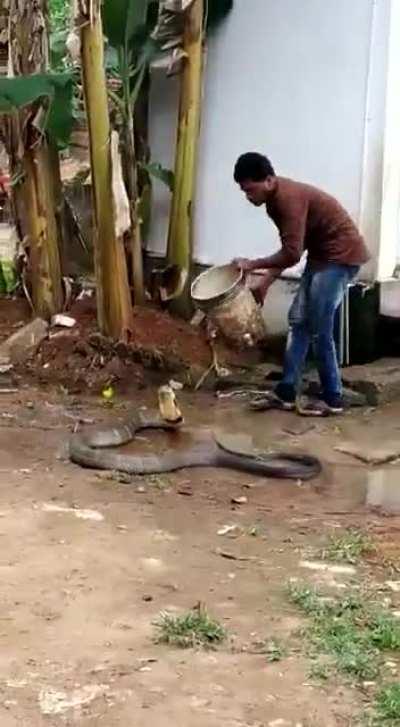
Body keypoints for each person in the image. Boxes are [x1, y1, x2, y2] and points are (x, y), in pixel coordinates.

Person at [233, 152, 369, 415]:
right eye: (244, 191)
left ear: (269, 180)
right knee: (298, 322)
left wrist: (252, 264)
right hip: (321, 258)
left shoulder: (287, 200)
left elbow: (292, 254)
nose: (248, 197)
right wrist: (267, 281)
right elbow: (295, 246)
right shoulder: (273, 201)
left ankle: (333, 398)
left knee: (319, 328)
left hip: (340, 258)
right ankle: (286, 392)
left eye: (250, 189)